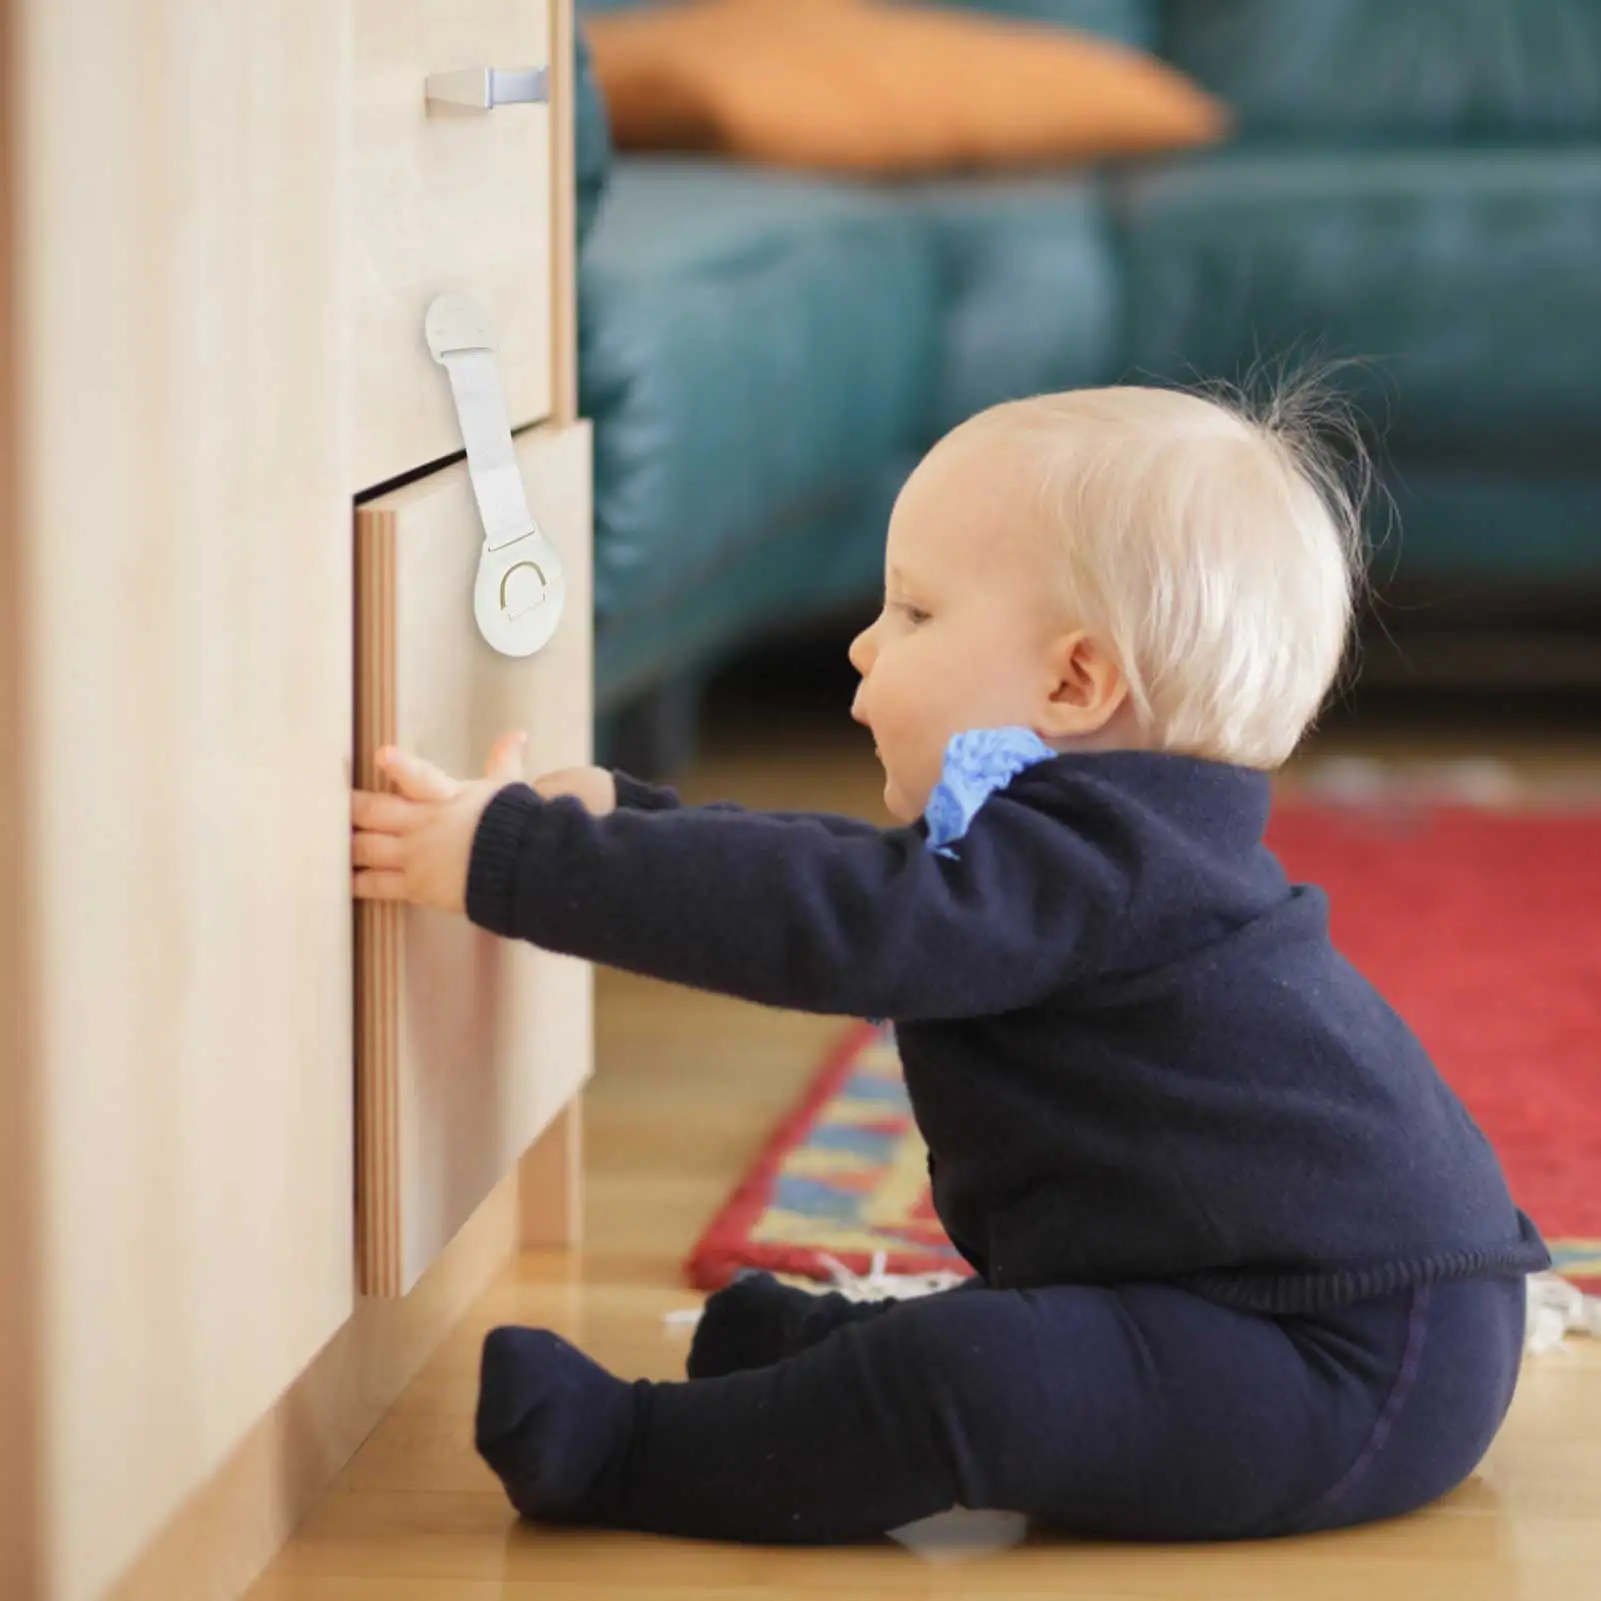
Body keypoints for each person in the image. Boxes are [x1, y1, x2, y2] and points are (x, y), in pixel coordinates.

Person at [351, 384, 1547, 1545]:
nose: (864, 643)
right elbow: (853, 870)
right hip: (1273, 1302)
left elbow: (841, 917)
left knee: (979, 1375)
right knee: (1043, 1339)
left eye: (914, 612)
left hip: (1346, 1359)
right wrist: (633, 821)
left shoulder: (1103, 868)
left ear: (1071, 681)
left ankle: (632, 1450)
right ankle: (816, 1366)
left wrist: (524, 858)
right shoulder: (1110, 846)